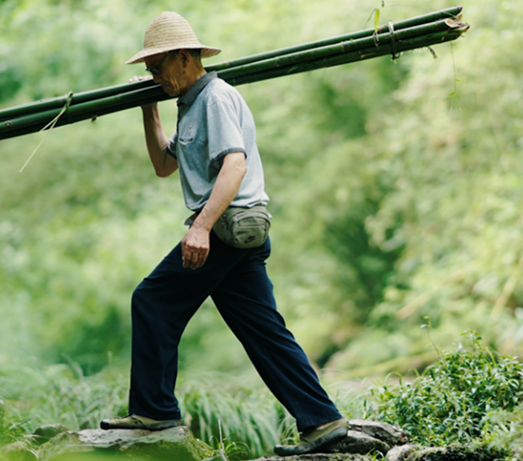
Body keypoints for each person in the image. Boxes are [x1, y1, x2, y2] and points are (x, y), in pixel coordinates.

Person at [99, 12, 349, 456]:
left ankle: (154, 411)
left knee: (152, 300)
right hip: (237, 233)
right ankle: (322, 420)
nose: (154, 77)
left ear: (183, 57)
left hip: (226, 227)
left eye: (157, 68)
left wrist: (200, 227)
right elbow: (163, 165)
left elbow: (235, 165)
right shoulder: (189, 104)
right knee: (263, 330)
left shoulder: (215, 98)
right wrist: (148, 108)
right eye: (150, 71)